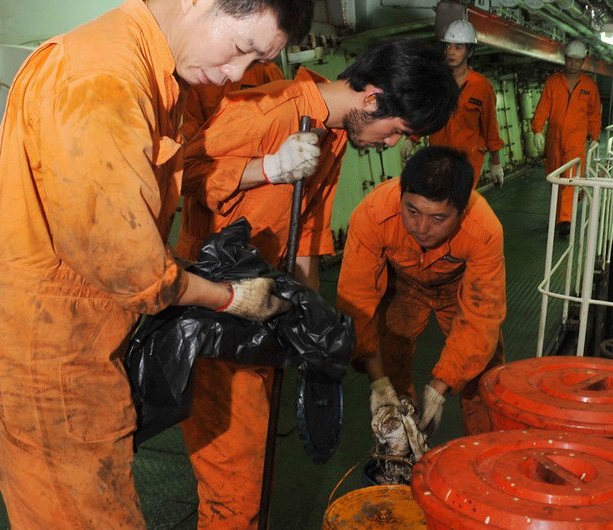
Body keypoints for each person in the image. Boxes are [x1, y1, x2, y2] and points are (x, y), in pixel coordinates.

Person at [0, 0, 311, 526]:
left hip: (68, 348)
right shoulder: (106, 80)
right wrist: (230, 298)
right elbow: (129, 268)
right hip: (47, 367)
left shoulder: (143, 67)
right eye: (242, 49)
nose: (234, 74)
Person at [177, 38, 458, 529]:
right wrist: (265, 170)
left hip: (260, 315)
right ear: (372, 99)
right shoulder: (274, 111)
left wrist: (311, 338)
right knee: (234, 488)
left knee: (257, 472)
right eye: (398, 131)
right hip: (211, 316)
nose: (392, 144)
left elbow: (306, 242)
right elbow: (183, 173)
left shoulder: (331, 138)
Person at [337, 146, 506, 439]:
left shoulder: (485, 230)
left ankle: (484, 451)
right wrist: (378, 383)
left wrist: (440, 388)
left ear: (462, 211)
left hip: (458, 288)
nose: (422, 228)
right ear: (401, 195)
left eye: (439, 219)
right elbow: (356, 299)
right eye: (412, 211)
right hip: (403, 286)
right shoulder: (373, 213)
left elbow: (481, 318)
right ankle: (398, 444)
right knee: (391, 358)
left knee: (483, 374)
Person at [399, 20, 504, 189]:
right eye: (448, 46)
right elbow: (428, 114)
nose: (451, 52)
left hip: (468, 161)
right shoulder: (437, 82)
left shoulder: (482, 86)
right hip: (438, 158)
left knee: (459, 208)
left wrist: (496, 163)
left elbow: (490, 127)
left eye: (458, 47)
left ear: (469, 51)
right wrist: (412, 139)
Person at [531, 39, 602, 237]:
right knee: (555, 179)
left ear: (583, 61)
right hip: (554, 140)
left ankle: (565, 221)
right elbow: (543, 107)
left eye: (577, 61)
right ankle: (559, 217)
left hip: (576, 140)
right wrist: (537, 129)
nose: (573, 64)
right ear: (565, 59)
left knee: (569, 179)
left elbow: (594, 114)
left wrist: (595, 137)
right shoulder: (553, 82)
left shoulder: (590, 86)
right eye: (570, 60)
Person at [184, 61, 284, 129]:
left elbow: (283, 115)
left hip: (259, 153)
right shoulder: (200, 76)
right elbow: (191, 126)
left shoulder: (265, 69)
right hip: (215, 155)